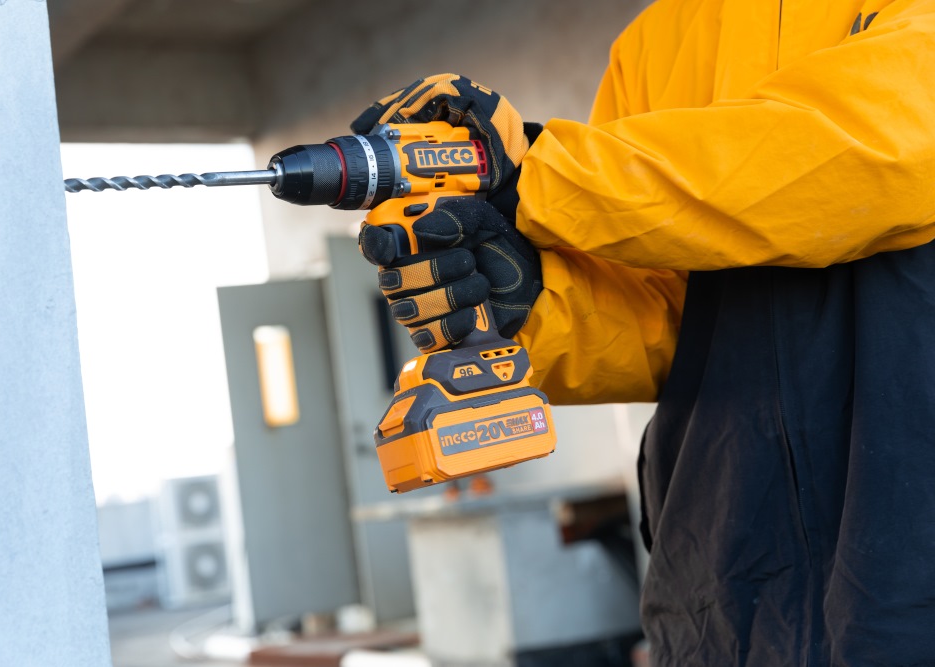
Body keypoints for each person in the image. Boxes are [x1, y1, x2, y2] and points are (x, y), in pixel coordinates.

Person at [354, 2, 935, 666]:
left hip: (908, 560)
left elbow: (870, 149)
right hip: (729, 581)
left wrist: (538, 175)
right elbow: (675, 325)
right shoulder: (657, 40)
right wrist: (531, 301)